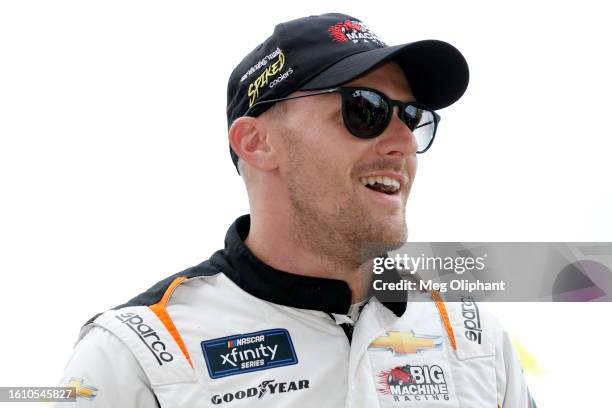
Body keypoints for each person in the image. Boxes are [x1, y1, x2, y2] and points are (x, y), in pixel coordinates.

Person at [57, 12, 536, 407]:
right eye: (364, 109)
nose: (404, 141)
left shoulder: (474, 342)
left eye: (412, 116)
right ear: (257, 142)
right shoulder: (136, 353)